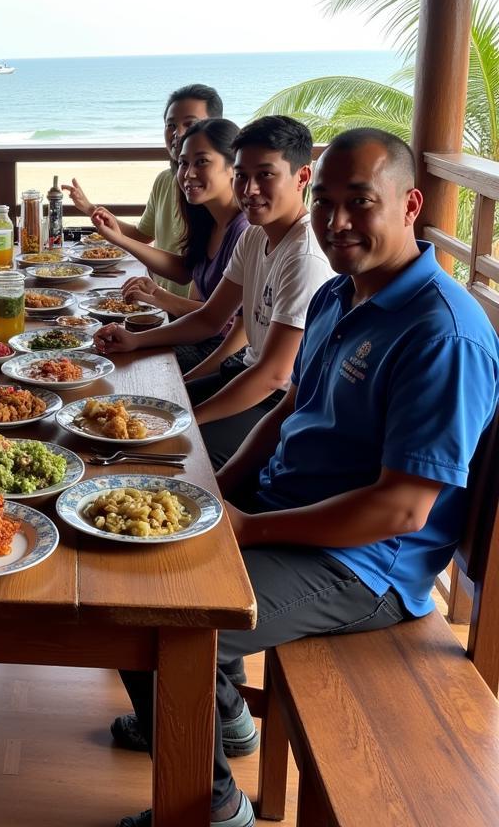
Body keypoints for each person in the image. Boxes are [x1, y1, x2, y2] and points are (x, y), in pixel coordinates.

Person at [113, 128, 499, 827]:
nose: (337, 221)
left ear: (410, 204)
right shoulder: (339, 295)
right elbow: (290, 406)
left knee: (150, 619)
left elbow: (402, 511)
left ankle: (212, 808)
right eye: (326, 201)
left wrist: (250, 528)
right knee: (134, 550)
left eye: (362, 202)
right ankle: (222, 714)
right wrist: (221, 486)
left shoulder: (441, 333)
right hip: (290, 511)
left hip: (363, 566)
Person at [95, 116, 333, 471]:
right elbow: (210, 318)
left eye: (265, 175)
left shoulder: (305, 257)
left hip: (281, 404)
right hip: (241, 375)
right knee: (136, 413)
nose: (249, 189)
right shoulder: (255, 235)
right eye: (241, 175)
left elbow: (273, 374)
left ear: (302, 177)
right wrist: (135, 340)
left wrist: (189, 417)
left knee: (164, 452)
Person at [89, 117, 248, 372]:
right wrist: (119, 238)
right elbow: (185, 271)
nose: (189, 173)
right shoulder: (207, 217)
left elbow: (218, 321)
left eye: (202, 162)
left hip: (225, 354)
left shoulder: (244, 231)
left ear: (233, 166)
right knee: (101, 346)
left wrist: (158, 297)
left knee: (122, 363)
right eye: (183, 163)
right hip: (201, 337)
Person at [63, 84, 223, 297]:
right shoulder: (168, 180)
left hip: (182, 312)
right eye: (171, 125)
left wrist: (158, 297)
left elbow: (209, 312)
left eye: (190, 124)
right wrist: (91, 209)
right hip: (166, 304)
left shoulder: (219, 204)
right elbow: (143, 236)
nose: (178, 133)